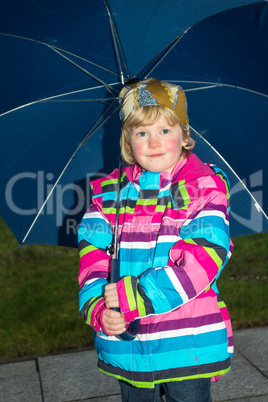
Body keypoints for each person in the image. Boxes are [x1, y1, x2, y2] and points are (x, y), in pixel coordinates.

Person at [78, 78, 234, 402]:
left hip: (186, 344)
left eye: (164, 130)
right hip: (127, 344)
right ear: (127, 140)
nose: (154, 142)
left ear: (184, 135)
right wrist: (97, 307)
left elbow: (205, 257)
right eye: (142, 133)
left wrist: (136, 296)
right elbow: (92, 260)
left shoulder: (202, 189)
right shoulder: (108, 197)